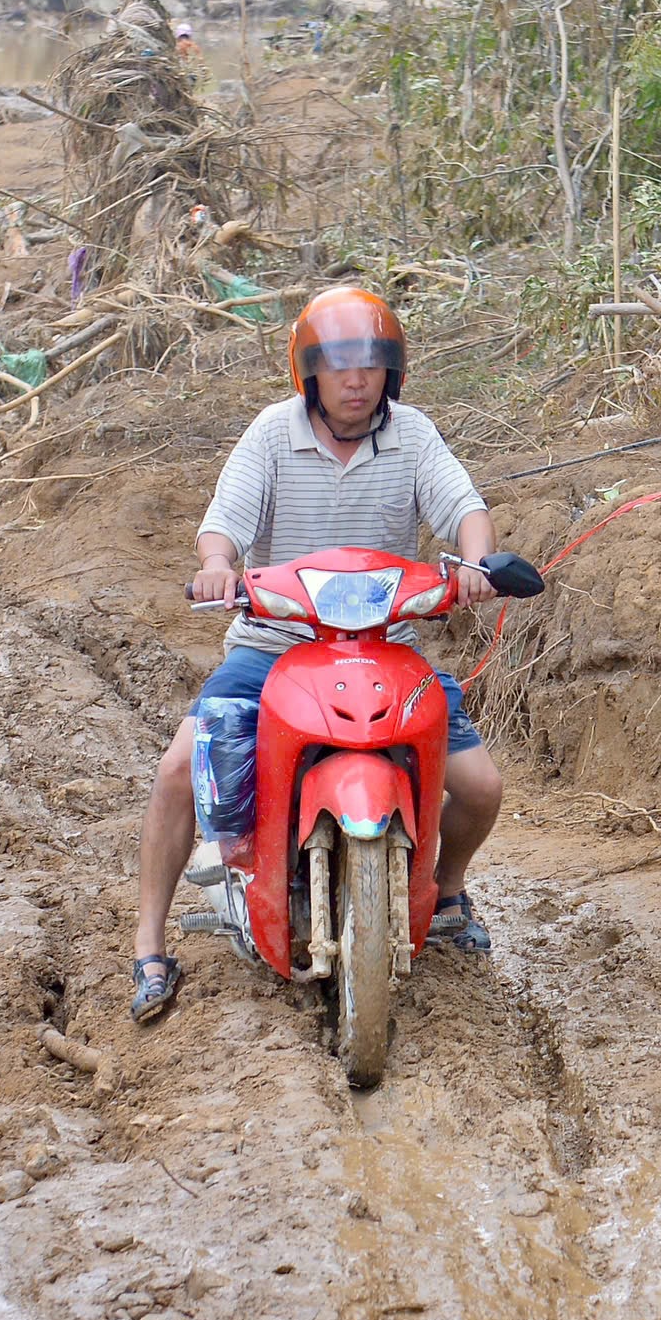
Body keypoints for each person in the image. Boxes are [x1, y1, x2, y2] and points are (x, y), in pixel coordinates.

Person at [126, 286, 505, 1022]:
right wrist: (217, 565)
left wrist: (476, 563)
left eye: (370, 364)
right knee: (178, 769)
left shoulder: (414, 435)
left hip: (387, 651)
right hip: (272, 646)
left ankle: (448, 892)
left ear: (390, 371)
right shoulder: (271, 434)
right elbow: (223, 527)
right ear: (310, 371)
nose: (355, 380)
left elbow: (464, 507)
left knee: (481, 786)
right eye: (338, 366)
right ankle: (148, 944)